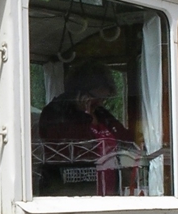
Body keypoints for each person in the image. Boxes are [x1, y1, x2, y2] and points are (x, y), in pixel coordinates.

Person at [37, 62, 135, 196]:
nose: (100, 103)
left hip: (109, 191)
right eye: (96, 99)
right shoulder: (56, 112)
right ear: (81, 92)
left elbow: (125, 138)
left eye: (104, 99)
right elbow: (76, 150)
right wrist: (83, 115)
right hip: (75, 191)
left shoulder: (101, 113)